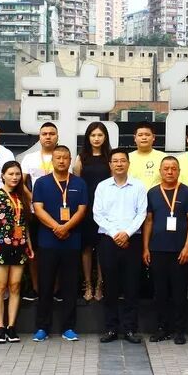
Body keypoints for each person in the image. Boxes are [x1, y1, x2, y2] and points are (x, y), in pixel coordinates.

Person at [32, 145, 89, 342]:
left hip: (71, 241)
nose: (62, 161)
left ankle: (69, 327)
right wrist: (57, 227)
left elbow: (82, 210)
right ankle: (42, 327)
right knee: (45, 285)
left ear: (70, 160)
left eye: (65, 157)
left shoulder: (79, 183)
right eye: (58, 157)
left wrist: (66, 228)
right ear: (52, 160)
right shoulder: (42, 183)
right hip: (48, 241)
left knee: (70, 286)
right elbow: (38, 209)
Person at [93, 148, 148, 344]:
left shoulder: (138, 186)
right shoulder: (102, 186)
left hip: (132, 240)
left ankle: (130, 329)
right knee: (110, 286)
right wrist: (115, 233)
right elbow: (97, 214)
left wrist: (127, 233)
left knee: (131, 286)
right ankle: (111, 328)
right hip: (108, 240)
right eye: (115, 161)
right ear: (110, 165)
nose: (119, 164)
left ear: (128, 164)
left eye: (122, 161)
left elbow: (141, 214)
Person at [143, 157, 188, 345]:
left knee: (179, 293)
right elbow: (148, 221)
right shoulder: (152, 193)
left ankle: (179, 330)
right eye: (166, 168)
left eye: (173, 168)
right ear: (160, 171)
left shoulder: (187, 192)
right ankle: (162, 328)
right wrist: (145, 248)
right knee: (160, 292)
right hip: (157, 250)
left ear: (179, 171)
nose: (170, 172)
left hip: (180, 251)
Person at [0, 161, 35, 344]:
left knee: (15, 286)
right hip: (0, 246)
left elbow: (24, 224)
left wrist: (29, 245)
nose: (15, 177)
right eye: (11, 174)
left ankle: (11, 326)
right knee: (0, 286)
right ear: (3, 175)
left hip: (20, 246)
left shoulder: (23, 196)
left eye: (17, 174)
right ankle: (0, 327)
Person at [20, 123, 59, 302]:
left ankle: (56, 290)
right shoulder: (29, 158)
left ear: (57, 136)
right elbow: (21, 182)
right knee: (34, 251)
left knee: (57, 251)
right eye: (44, 134)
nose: (48, 137)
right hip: (34, 211)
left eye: (52, 133)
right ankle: (36, 288)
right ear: (39, 137)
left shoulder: (62, 156)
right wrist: (33, 197)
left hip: (57, 212)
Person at [73, 121, 111, 302]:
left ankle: (100, 284)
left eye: (100, 135)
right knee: (86, 247)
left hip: (106, 209)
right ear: (88, 137)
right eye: (93, 135)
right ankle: (88, 283)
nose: (96, 138)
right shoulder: (81, 158)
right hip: (86, 208)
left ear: (105, 137)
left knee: (102, 248)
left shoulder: (110, 157)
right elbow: (77, 183)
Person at [128, 122, 164, 189]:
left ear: (153, 137)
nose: (144, 138)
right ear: (135, 138)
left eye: (147, 135)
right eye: (140, 135)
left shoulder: (163, 157)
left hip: (156, 194)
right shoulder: (127, 158)